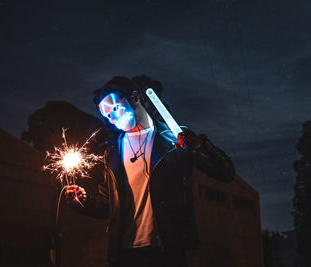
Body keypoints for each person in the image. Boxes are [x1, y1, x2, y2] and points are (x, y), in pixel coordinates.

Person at [65, 76, 235, 267]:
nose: (112, 119)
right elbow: (109, 206)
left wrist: (202, 146)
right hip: (124, 254)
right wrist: (83, 201)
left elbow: (225, 172)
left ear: (135, 96)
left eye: (114, 109)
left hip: (167, 251)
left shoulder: (174, 139)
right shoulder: (111, 151)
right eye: (107, 116)